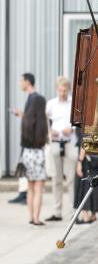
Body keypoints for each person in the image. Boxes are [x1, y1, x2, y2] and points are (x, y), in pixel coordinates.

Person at [44, 76, 77, 222]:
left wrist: (72, 128)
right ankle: (57, 212)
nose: (62, 93)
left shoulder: (73, 104)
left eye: (65, 90)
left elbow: (78, 121)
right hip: (56, 142)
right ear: (57, 89)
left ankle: (72, 212)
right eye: (60, 90)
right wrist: (50, 132)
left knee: (71, 179)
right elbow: (46, 120)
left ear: (68, 90)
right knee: (56, 179)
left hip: (70, 142)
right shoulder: (51, 104)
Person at [9, 73, 39, 205]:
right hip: (27, 139)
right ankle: (23, 193)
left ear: (27, 82)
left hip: (31, 141)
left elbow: (35, 120)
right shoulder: (31, 98)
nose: (20, 83)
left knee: (27, 167)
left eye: (21, 81)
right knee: (23, 166)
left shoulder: (35, 98)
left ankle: (25, 195)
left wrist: (22, 115)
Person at [20, 91, 48, 226]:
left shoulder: (26, 121)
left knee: (30, 188)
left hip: (27, 154)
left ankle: (31, 217)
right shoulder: (43, 122)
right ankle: (37, 218)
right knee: (38, 189)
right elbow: (45, 141)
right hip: (38, 154)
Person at [74, 129, 98, 224]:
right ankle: (93, 214)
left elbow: (85, 141)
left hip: (88, 159)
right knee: (96, 185)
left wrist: (79, 161)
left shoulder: (88, 122)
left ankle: (85, 215)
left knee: (85, 186)